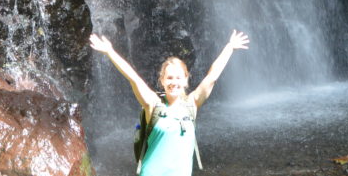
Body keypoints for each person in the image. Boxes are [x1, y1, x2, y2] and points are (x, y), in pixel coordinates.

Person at [89, 29, 250, 176]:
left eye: (178, 78)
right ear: (163, 81)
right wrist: (110, 51)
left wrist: (229, 47)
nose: (174, 82)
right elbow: (133, 78)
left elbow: (212, 77)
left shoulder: (191, 104)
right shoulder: (153, 104)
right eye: (170, 78)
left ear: (186, 80)